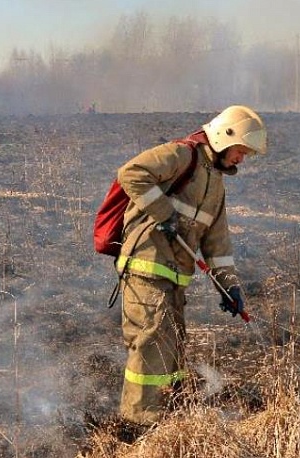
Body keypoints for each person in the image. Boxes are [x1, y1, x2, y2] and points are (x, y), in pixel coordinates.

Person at [114, 105, 267, 427]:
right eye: (240, 151)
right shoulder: (181, 155)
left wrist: (230, 286)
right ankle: (138, 424)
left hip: (174, 277)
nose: (241, 159)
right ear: (224, 138)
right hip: (146, 267)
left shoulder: (215, 183)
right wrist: (164, 213)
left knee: (172, 347)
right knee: (151, 344)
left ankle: (167, 417)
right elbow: (131, 173)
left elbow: (217, 242)